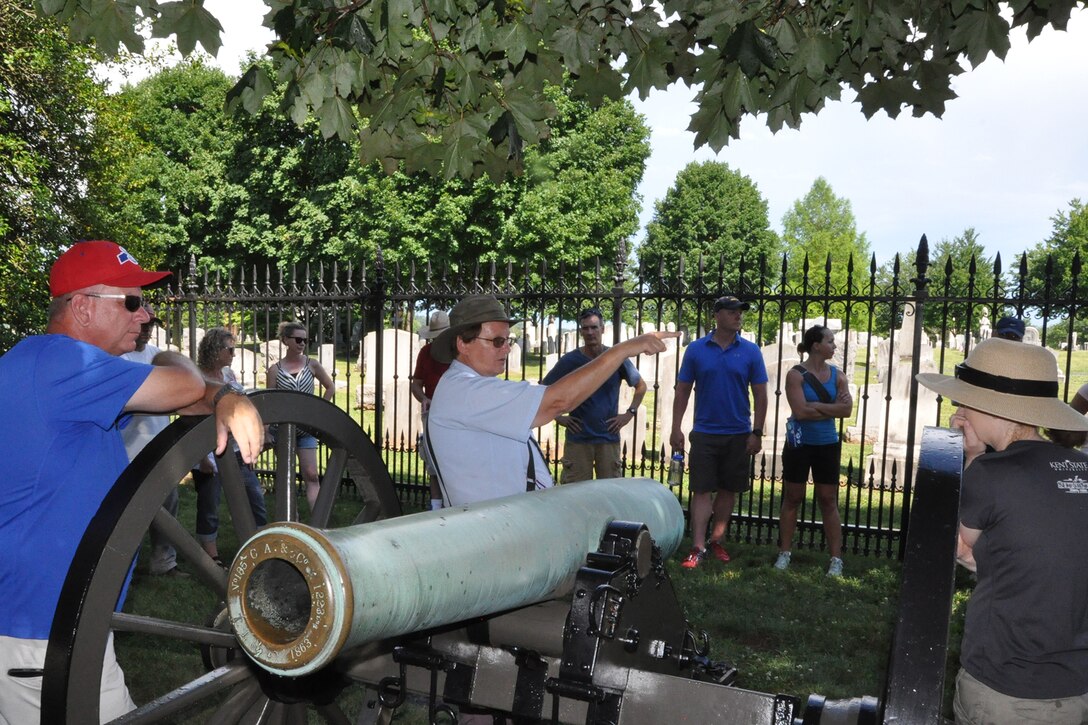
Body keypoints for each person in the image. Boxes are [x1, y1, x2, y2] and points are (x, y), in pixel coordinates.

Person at [0, 240, 263, 722]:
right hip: (43, 634)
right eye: (132, 301)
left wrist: (217, 395)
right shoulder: (65, 365)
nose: (146, 315)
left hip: (31, 622)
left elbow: (185, 399)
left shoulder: (44, 367)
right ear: (82, 306)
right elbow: (188, 385)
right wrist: (189, 369)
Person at [916, 338, 1088, 724]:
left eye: (964, 401)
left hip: (1006, 690)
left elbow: (960, 550)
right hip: (1076, 686)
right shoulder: (1082, 466)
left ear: (991, 407)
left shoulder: (993, 473)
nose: (959, 410)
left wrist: (973, 456)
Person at [427, 295, 675, 507]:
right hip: (494, 529)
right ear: (463, 343)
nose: (507, 349)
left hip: (507, 522)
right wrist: (623, 350)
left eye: (508, 340)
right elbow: (557, 401)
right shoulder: (465, 391)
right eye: (498, 341)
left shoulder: (471, 387)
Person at [671, 295, 768, 569]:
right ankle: (697, 546)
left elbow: (761, 395)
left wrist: (757, 432)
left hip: (738, 433)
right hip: (705, 432)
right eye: (732, 311)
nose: (738, 316)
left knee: (728, 490)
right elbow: (683, 390)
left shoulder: (750, 351)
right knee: (701, 489)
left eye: (740, 312)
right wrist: (676, 427)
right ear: (717, 315)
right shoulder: (696, 350)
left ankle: (717, 540)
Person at [774, 325, 853, 577]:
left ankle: (836, 559)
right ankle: (785, 553)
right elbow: (800, 412)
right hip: (799, 444)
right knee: (793, 497)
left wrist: (815, 406)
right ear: (816, 346)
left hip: (827, 443)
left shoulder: (838, 376)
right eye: (830, 341)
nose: (834, 345)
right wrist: (830, 408)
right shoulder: (795, 375)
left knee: (828, 500)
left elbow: (846, 410)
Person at [542, 308, 647, 482]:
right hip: (578, 439)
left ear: (602, 329)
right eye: (585, 328)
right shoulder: (570, 360)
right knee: (574, 492)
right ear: (581, 331)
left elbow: (641, 386)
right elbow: (543, 389)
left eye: (594, 327)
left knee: (610, 491)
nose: (590, 332)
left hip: (608, 438)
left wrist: (630, 414)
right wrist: (558, 417)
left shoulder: (616, 358)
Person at [192, 327, 269, 564]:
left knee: (255, 498)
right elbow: (192, 422)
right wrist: (202, 459)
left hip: (235, 451)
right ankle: (211, 555)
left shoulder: (229, 375)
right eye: (230, 350)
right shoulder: (196, 378)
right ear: (216, 350)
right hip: (208, 453)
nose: (234, 354)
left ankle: (261, 546)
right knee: (209, 506)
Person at [121, 302, 186, 577]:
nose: (148, 330)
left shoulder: (157, 355)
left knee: (168, 506)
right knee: (129, 513)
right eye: (144, 325)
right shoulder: (121, 357)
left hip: (160, 449)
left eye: (151, 325)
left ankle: (164, 562)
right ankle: (124, 568)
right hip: (129, 451)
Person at [265, 321, 335, 508]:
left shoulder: (312, 365)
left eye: (305, 340)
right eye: (298, 340)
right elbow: (269, 402)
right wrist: (266, 431)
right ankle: (291, 517)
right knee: (286, 477)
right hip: (282, 430)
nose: (302, 343)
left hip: (306, 430)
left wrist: (319, 411)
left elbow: (330, 387)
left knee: (312, 475)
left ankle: (318, 518)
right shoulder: (275, 370)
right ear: (285, 340)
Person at [409, 310, 451, 510]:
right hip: (432, 412)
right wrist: (424, 398)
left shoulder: (459, 353)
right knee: (432, 462)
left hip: (455, 413)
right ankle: (436, 507)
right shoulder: (426, 353)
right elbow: (416, 384)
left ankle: (452, 503)